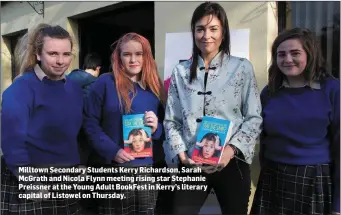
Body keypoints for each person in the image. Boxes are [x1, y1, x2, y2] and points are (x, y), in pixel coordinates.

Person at [163, 2, 263, 214]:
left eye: (213, 29)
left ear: (223, 33)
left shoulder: (241, 67)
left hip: (232, 161)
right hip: (191, 162)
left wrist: (229, 150)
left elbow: (254, 117)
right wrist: (182, 155)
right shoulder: (180, 72)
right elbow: (172, 120)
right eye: (200, 29)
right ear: (194, 33)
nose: (206, 35)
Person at [251, 28, 340, 215]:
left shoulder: (332, 89)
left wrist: (338, 204)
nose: (287, 59)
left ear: (310, 54)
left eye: (295, 53)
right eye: (281, 54)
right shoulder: (270, 92)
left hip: (315, 180)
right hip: (273, 178)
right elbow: (261, 137)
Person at [1, 23, 84, 215]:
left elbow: (73, 135)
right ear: (38, 54)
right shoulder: (22, 88)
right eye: (52, 53)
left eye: (66, 54)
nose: (60, 61)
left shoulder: (74, 88)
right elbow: (12, 141)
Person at [83, 32, 167, 215]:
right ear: (118, 57)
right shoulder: (104, 82)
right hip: (113, 169)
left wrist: (156, 127)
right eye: (127, 54)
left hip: (146, 170)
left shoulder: (155, 86)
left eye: (139, 54)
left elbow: (166, 127)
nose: (133, 59)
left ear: (146, 56)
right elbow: (89, 122)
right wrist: (111, 150)